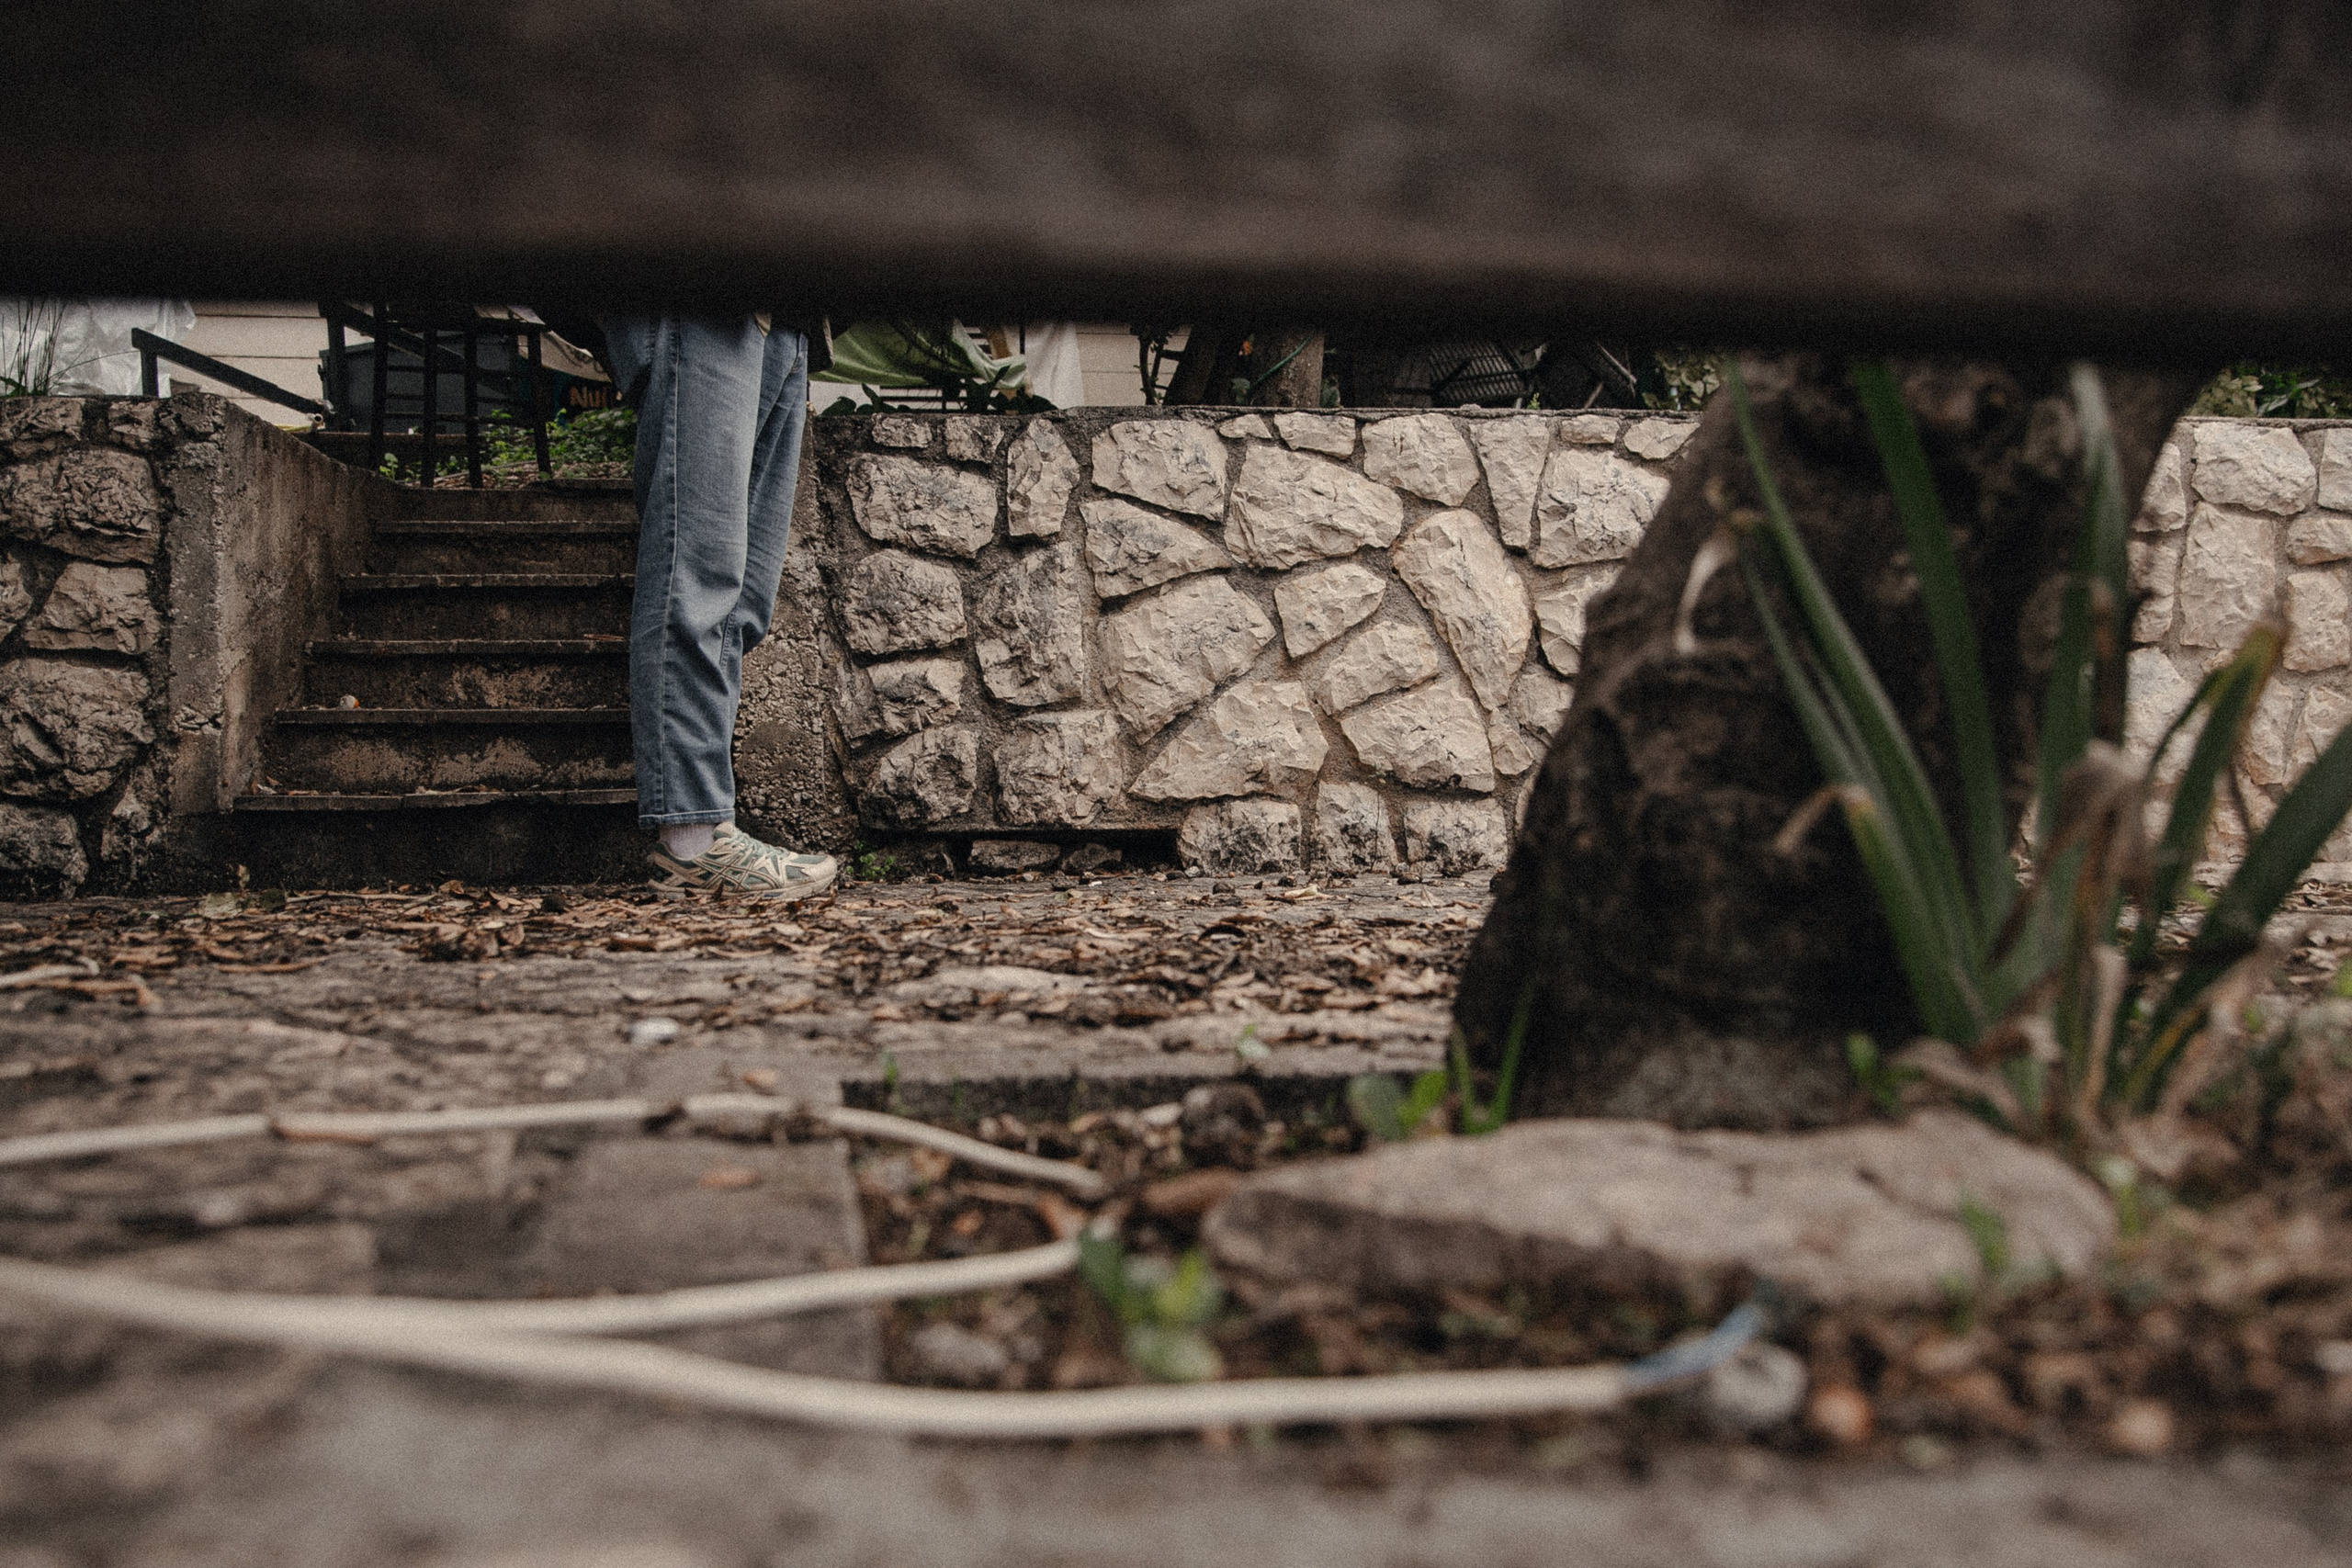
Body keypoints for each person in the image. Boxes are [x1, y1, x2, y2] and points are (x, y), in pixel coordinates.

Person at [599, 314, 840, 899]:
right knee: (696, 571)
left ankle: (712, 826)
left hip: (790, 315)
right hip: (704, 298)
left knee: (744, 599)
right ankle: (692, 839)